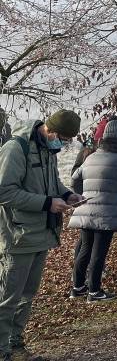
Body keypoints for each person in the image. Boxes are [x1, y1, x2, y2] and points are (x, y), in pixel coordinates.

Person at [0, 110, 84, 359]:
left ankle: (16, 346)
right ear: (52, 132)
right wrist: (47, 203)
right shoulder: (16, 149)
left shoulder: (47, 149)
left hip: (41, 233)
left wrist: (68, 195)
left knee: (27, 296)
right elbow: (4, 192)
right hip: (18, 236)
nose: (65, 144)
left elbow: (52, 183)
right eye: (64, 139)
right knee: (8, 298)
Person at [68, 117, 117, 302]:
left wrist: (83, 194)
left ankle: (77, 288)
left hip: (86, 207)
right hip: (107, 213)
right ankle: (94, 291)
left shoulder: (90, 157)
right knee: (99, 252)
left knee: (85, 249)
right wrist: (116, 188)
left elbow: (74, 179)